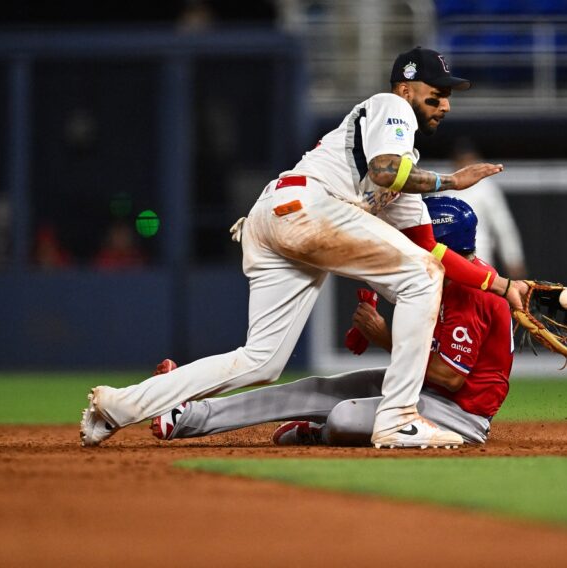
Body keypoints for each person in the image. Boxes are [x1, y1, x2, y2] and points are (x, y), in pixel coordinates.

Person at [81, 46, 525, 449]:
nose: (445, 103)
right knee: (420, 279)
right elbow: (387, 171)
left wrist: (503, 287)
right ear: (406, 88)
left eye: (449, 95)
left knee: (262, 361)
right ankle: (398, 416)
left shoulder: (408, 180)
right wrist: (453, 181)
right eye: (436, 92)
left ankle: (118, 406)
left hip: (277, 219)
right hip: (304, 207)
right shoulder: (392, 107)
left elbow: (431, 254)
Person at [149, 196, 513, 446]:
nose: (411, 243)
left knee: (342, 418)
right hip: (420, 389)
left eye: (421, 237)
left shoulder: (472, 292)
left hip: (456, 414)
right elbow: (377, 276)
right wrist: (371, 304)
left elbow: (450, 377)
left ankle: (318, 433)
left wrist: (386, 337)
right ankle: (187, 416)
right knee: (313, 388)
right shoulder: (437, 277)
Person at [438, 139, 527, 279]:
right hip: (448, 260)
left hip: (480, 257)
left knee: (480, 297)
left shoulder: (486, 188)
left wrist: (513, 258)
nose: (465, 164)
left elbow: (503, 226)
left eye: (469, 160)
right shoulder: (443, 186)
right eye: (461, 160)